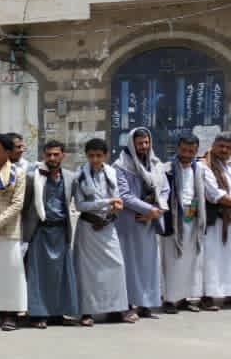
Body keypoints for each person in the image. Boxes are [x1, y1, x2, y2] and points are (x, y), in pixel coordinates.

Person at [73, 138, 132, 326]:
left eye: (99, 156)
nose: (95, 159)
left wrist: (115, 206)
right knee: (87, 271)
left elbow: (118, 198)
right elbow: (80, 205)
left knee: (116, 265)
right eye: (91, 156)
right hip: (88, 228)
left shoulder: (112, 173)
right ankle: (87, 311)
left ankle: (116, 309)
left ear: (105, 156)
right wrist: (107, 202)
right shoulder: (80, 175)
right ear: (86, 156)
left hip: (108, 226)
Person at [21, 141, 79, 328]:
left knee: (60, 274)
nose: (52, 158)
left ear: (63, 155)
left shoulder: (70, 177)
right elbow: (25, 206)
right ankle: (38, 314)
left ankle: (58, 313)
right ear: (43, 156)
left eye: (56, 154)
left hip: (61, 231)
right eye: (48, 155)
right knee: (39, 275)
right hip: (40, 231)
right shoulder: (33, 176)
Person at [114, 127, 168, 319]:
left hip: (148, 223)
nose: (144, 146)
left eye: (146, 142)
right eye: (139, 143)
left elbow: (164, 189)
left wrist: (155, 211)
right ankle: (128, 303)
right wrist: (147, 209)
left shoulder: (156, 164)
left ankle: (146, 303)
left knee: (148, 265)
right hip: (129, 223)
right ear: (132, 144)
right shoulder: (120, 166)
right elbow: (124, 195)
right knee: (129, 265)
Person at [159, 134, 214, 313]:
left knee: (190, 261)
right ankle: (168, 299)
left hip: (193, 219)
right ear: (178, 148)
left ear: (196, 151)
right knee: (171, 261)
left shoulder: (201, 169)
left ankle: (183, 298)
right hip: (173, 221)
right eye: (184, 150)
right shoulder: (166, 168)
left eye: (191, 151)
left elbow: (211, 191)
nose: (187, 154)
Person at [0, 133, 27, 331]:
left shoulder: (18, 174)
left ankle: (11, 314)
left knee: (11, 275)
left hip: (8, 231)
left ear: (8, 152)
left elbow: (17, 204)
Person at [201, 132, 231, 310]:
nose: (224, 150)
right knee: (211, 259)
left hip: (229, 219)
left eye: (228, 147)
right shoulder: (205, 165)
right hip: (214, 221)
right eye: (221, 146)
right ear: (213, 145)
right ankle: (207, 296)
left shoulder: (228, 166)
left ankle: (228, 293)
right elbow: (215, 194)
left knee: (228, 260)